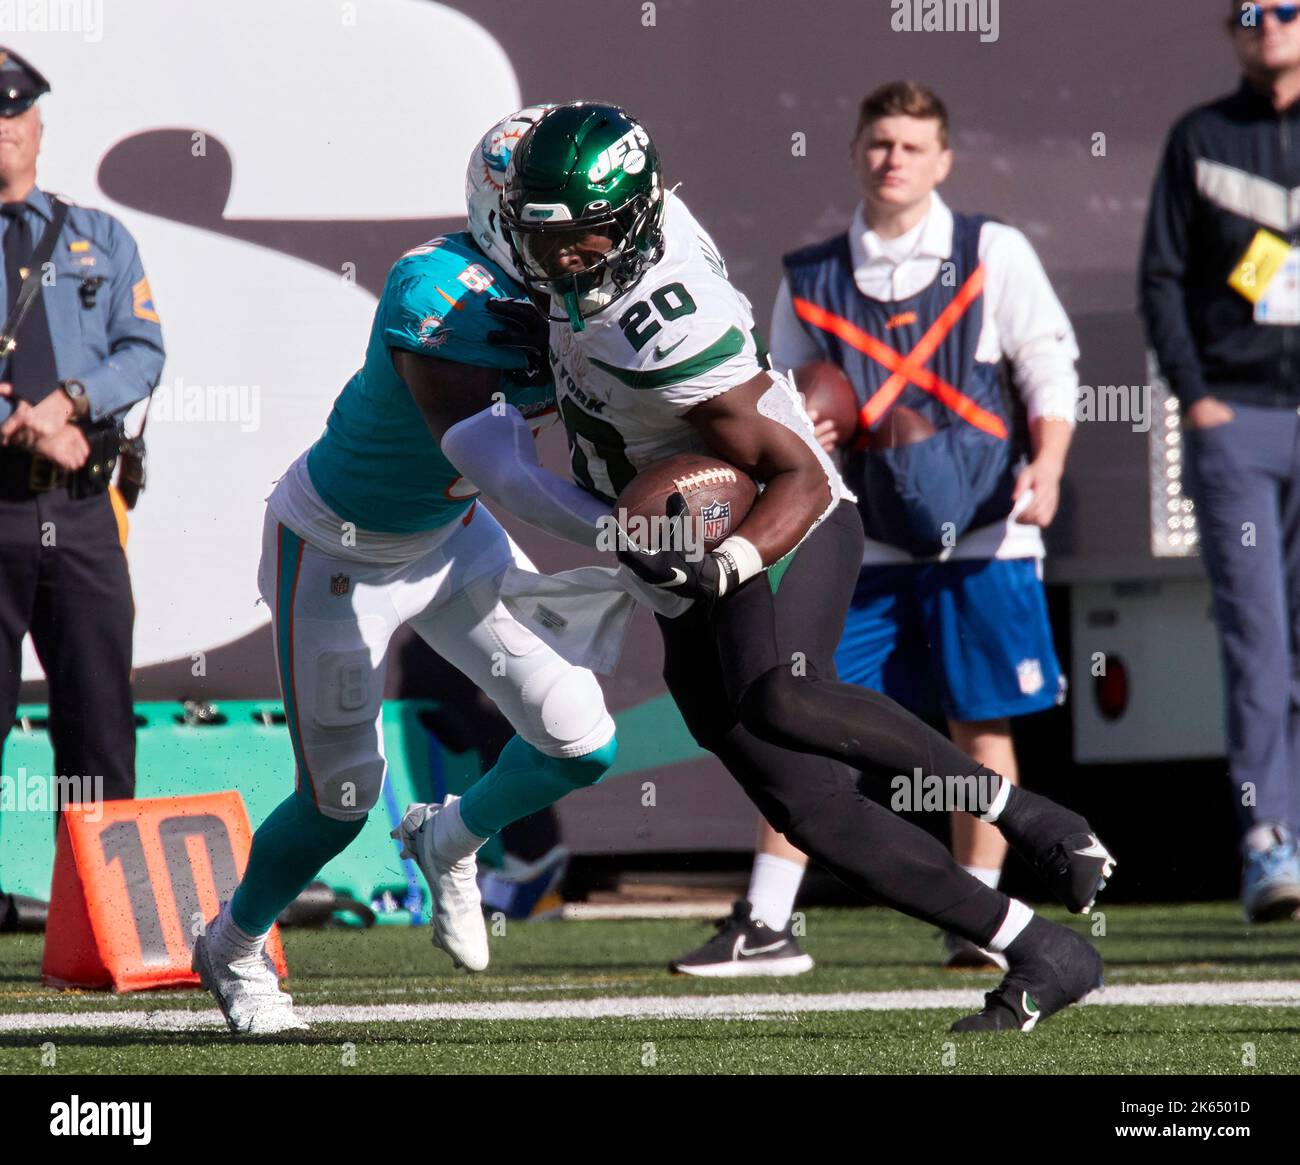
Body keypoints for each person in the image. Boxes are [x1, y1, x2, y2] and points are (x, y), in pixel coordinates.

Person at [453, 101, 1114, 1031]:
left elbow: (799, 472)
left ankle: (1030, 814)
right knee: (810, 808)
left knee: (785, 696)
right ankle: (1042, 947)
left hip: (777, 522)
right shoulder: (607, 237)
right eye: (546, 234)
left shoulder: (662, 329)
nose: (561, 255)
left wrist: (722, 565)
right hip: (674, 548)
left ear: (635, 223)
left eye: (584, 238)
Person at [192, 110, 621, 1035]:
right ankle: (231, 944)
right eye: (566, 222)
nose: (588, 243)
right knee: (340, 799)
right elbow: (501, 464)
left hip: (450, 533)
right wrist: (627, 533)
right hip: (339, 549)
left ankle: (451, 835)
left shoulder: (592, 284)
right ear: (510, 217)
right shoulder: (437, 289)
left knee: (582, 741)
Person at [672, 81, 1081, 977]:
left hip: (979, 523)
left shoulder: (990, 249)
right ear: (856, 149)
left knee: (982, 716)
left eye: (910, 145)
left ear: (942, 159)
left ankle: (985, 914)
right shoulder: (810, 269)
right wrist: (803, 430)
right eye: (878, 143)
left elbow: (1047, 361)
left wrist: (1047, 463)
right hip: (860, 523)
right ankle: (768, 920)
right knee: (795, 706)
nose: (891, 159)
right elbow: (770, 397)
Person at [1140, 1, 1300, 923]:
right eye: (1248, 11)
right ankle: (1267, 840)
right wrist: (1197, 396)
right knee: (1257, 639)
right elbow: (1160, 276)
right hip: (1236, 419)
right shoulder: (1200, 137)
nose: (1266, 22)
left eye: (1284, 7)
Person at [0, 48, 164, 930]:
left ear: (38, 128)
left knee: (98, 716)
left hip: (80, 507)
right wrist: (21, 419)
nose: (4, 131)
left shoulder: (97, 236)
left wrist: (68, 401)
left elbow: (142, 349)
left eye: (15, 117)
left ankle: (105, 920)